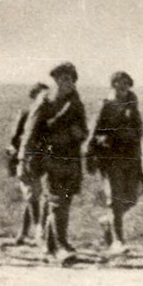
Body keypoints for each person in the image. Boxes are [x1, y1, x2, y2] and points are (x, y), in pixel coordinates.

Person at [19, 62, 87, 262]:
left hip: (71, 157)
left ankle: (49, 245)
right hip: (49, 156)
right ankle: (60, 246)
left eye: (70, 78)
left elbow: (84, 131)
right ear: (55, 80)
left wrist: (79, 133)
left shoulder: (76, 103)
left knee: (63, 200)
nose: (67, 82)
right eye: (62, 78)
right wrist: (23, 158)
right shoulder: (45, 101)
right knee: (57, 200)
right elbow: (30, 131)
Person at [86, 71, 143, 256]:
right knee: (116, 199)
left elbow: (139, 132)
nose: (123, 86)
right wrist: (91, 154)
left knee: (131, 198)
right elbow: (92, 132)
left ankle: (108, 221)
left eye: (126, 82)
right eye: (119, 82)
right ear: (113, 84)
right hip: (110, 157)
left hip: (130, 157)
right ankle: (118, 241)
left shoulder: (133, 105)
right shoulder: (106, 105)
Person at [6, 82, 49, 246]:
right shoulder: (25, 113)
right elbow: (15, 138)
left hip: (43, 158)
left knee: (34, 195)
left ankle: (24, 233)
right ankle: (38, 230)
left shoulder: (49, 116)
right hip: (28, 157)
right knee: (32, 195)